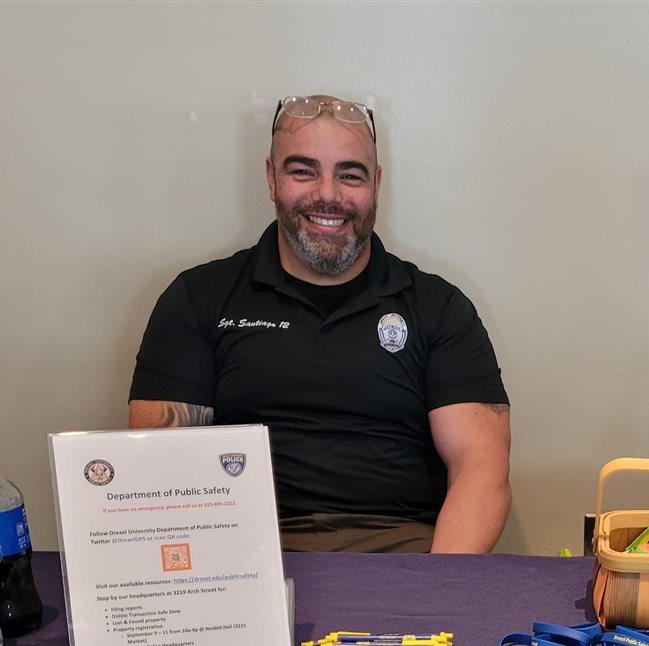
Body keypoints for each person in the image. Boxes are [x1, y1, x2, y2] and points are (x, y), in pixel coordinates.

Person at [129, 94, 511, 554]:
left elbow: (481, 469)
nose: (328, 194)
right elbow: (160, 469)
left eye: (350, 174)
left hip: (403, 549)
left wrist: (435, 584)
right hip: (244, 553)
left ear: (377, 184)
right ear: (271, 177)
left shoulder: (440, 307)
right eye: (303, 171)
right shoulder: (197, 299)